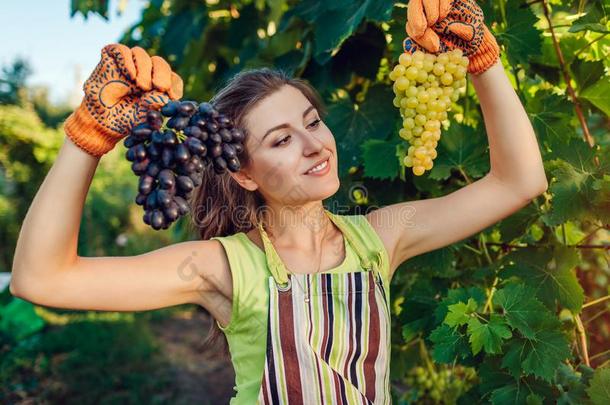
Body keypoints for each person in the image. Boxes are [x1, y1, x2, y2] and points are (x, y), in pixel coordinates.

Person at [10, 1, 547, 403]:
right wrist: (88, 136)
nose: (315, 145)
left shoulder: (381, 236)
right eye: (281, 139)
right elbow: (43, 279)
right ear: (242, 174)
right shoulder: (224, 266)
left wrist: (481, 54)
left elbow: (517, 181)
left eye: (312, 122)